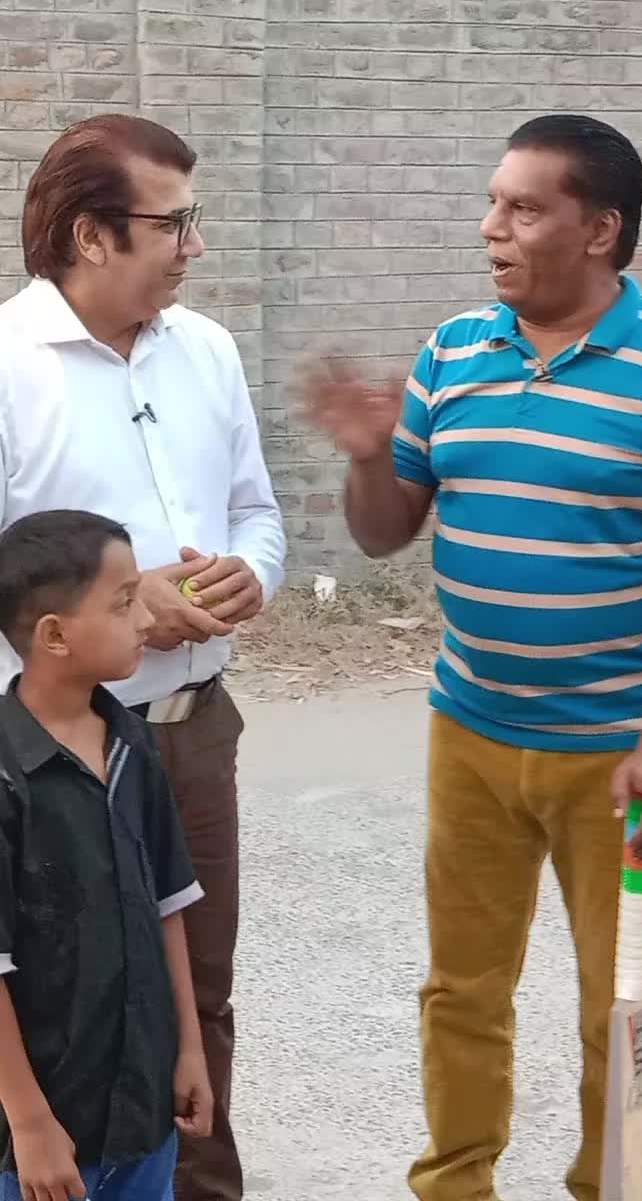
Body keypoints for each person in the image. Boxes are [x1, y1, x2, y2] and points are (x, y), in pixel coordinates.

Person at [301, 114, 642, 1201]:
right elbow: (386, 531)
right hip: (471, 732)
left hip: (615, 754)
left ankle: (616, 1184)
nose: (492, 228)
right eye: (493, 203)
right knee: (462, 989)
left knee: (622, 999)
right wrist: (368, 458)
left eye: (524, 208)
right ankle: (455, 1181)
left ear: (600, 229)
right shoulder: (454, 349)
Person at [0, 114, 286, 1201]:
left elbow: (257, 510)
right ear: (91, 234)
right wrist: (110, 619)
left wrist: (250, 574)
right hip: (43, 758)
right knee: (56, 1001)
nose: (193, 245)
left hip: (191, 732)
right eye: (173, 222)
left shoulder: (206, 351)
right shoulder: (9, 365)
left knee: (194, 996)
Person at [0, 509, 214, 1201]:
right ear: (54, 635)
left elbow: (167, 905)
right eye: (124, 603)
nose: (147, 619)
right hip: (42, 1143)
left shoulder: (133, 745)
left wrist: (187, 1049)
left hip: (144, 1113)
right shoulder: (6, 778)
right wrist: (29, 1122)